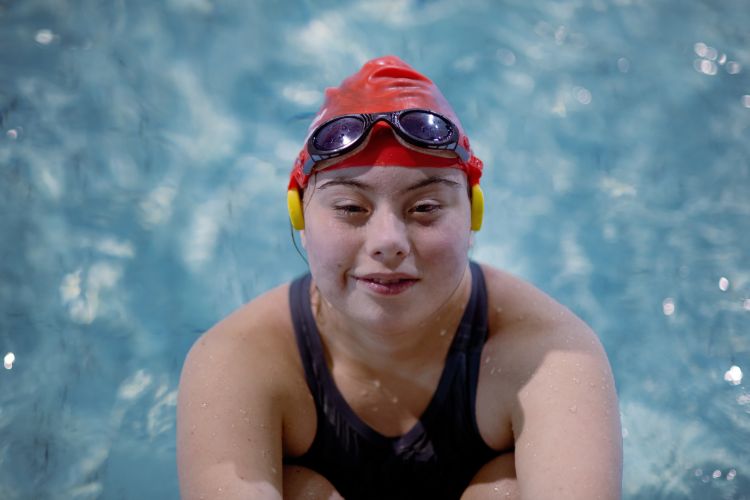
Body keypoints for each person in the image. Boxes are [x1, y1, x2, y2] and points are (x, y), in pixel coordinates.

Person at [176, 56, 622, 499]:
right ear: (300, 219)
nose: (388, 242)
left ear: (474, 215)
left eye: (425, 208)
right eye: (351, 208)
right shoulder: (239, 361)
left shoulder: (546, 354)